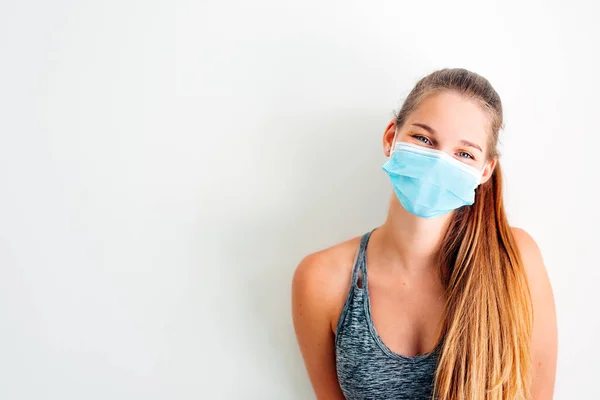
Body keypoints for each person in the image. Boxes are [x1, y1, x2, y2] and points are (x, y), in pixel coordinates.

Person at [291, 68, 557, 400]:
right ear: (391, 138)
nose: (437, 163)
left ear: (484, 171)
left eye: (464, 154)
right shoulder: (321, 279)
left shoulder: (515, 258)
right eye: (424, 139)